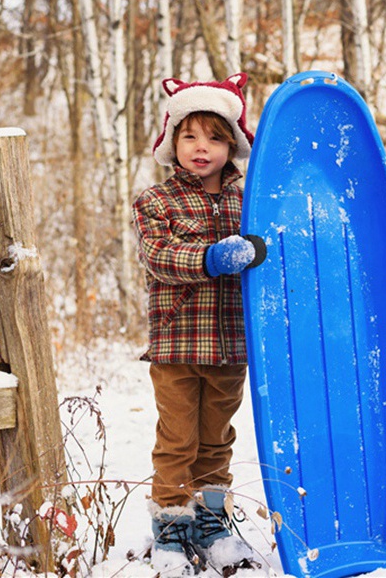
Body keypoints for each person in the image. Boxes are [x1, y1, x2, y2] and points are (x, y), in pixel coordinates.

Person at [132, 73, 265, 576]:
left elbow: (272, 252)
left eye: (214, 137)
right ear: (173, 141)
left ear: (231, 143)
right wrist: (211, 257)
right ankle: (170, 529)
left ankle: (211, 524)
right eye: (190, 136)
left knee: (215, 439)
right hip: (178, 345)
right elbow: (158, 255)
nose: (201, 147)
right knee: (178, 440)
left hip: (231, 344)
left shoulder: (250, 199)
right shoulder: (156, 201)